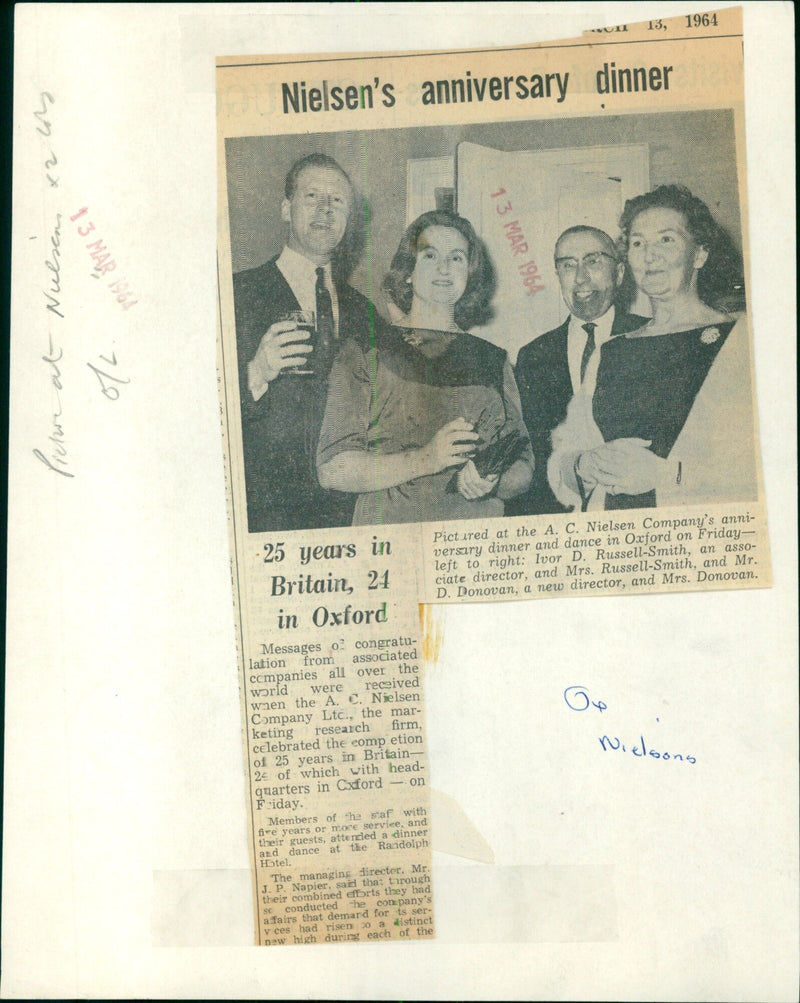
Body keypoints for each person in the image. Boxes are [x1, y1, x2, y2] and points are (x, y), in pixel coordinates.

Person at [316, 210, 533, 525]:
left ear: (470, 274)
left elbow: (524, 466)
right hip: (392, 541)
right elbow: (332, 470)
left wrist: (494, 479)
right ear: (408, 270)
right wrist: (425, 459)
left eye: (457, 258)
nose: (444, 268)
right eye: (430, 255)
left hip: (476, 544)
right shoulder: (364, 350)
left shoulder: (493, 359)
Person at [548, 185, 756, 510]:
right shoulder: (610, 351)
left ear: (699, 253)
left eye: (666, 239)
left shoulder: (742, 339)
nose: (649, 254)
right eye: (637, 243)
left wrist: (666, 475)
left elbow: (766, 467)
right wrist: (582, 466)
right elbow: (567, 450)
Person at [233, 153, 381, 532]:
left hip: (345, 513)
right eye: (313, 196)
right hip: (266, 511)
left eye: (338, 202)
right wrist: (255, 373)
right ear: (286, 209)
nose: (326, 210)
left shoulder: (364, 311)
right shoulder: (236, 294)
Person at [511, 226, 647, 515]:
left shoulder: (650, 337)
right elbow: (532, 452)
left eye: (593, 261)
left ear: (620, 273)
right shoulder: (533, 355)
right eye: (568, 265)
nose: (581, 277)